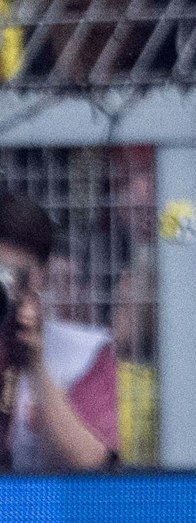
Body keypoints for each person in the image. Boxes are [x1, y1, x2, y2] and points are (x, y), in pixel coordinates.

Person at [0, 192, 114, 472]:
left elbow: (92, 466)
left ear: (41, 273)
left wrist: (36, 361)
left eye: (13, 274)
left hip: (46, 509)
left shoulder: (86, 352)